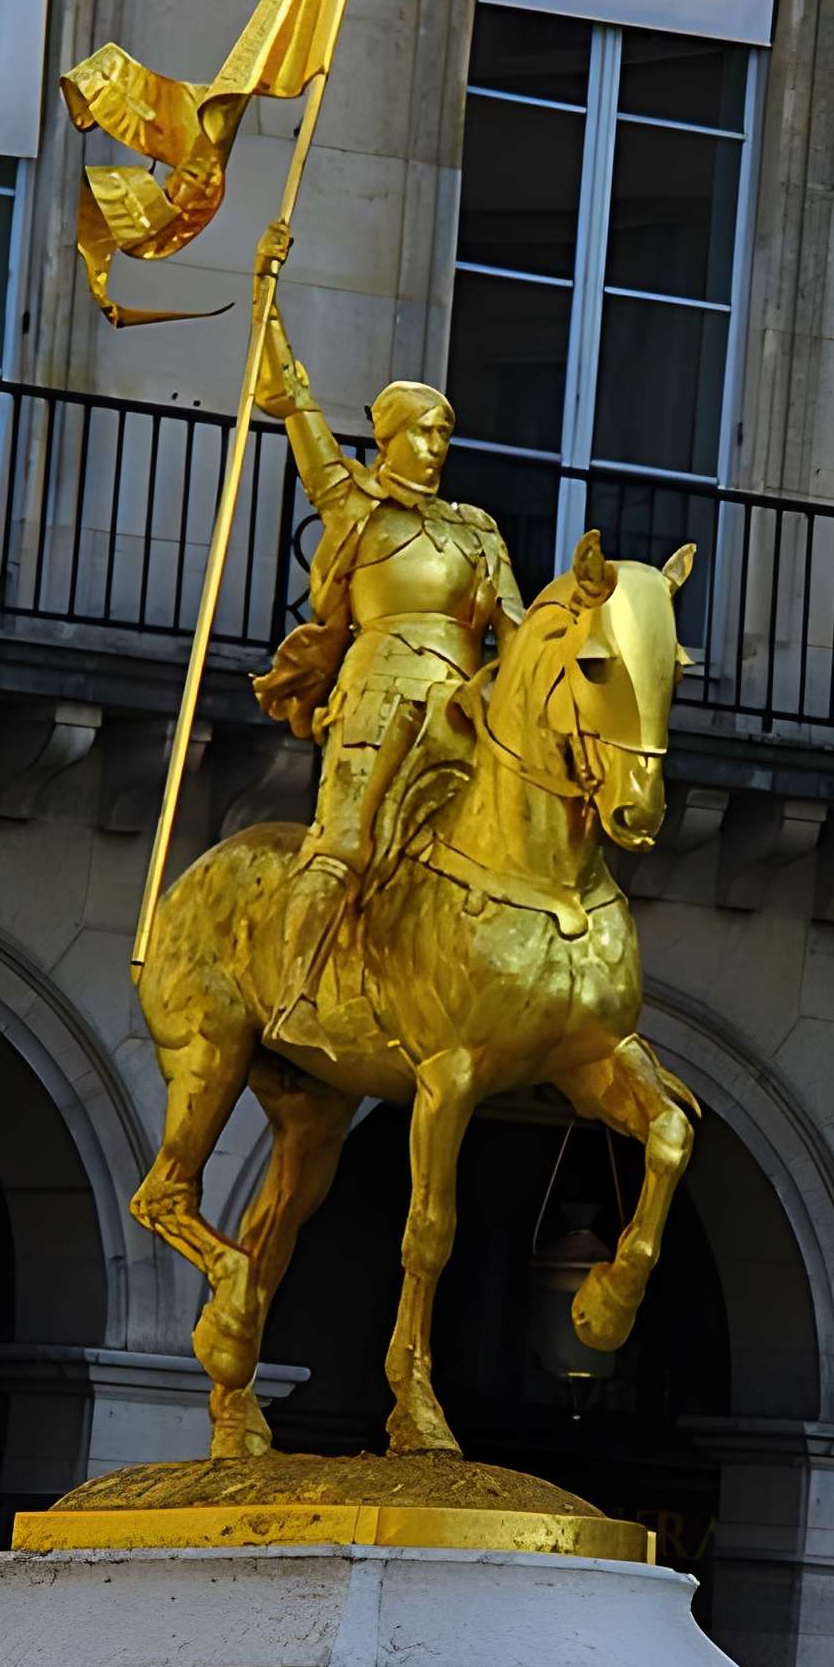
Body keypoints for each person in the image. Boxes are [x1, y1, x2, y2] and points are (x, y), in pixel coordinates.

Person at [249, 219, 523, 1052]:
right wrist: (265, 296)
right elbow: (293, 402)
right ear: (387, 436)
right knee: (344, 843)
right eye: (421, 432)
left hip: (465, 706)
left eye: (445, 434)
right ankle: (295, 990)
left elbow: (516, 628)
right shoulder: (356, 507)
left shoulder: (477, 529)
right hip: (378, 693)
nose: (436, 448)